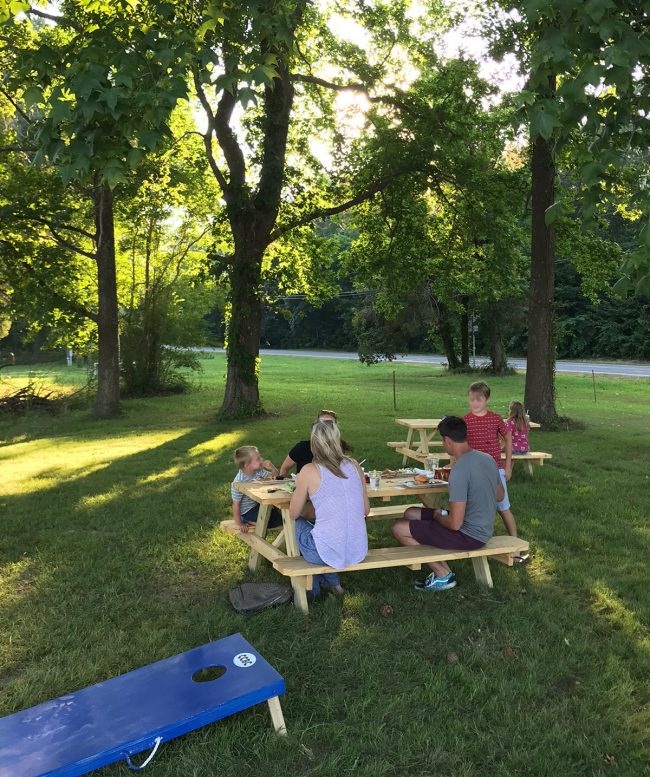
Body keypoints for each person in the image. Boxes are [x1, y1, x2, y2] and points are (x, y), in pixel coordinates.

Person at [391, 416, 503, 592]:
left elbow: (454, 524)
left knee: (398, 528)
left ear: (447, 440)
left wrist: (437, 515)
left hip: (469, 535)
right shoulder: (487, 459)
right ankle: (435, 556)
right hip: (483, 528)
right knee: (411, 513)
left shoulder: (459, 471)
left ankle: (443, 574)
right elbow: (500, 495)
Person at [289, 420, 369, 598]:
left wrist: (302, 503)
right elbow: (365, 510)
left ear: (313, 444)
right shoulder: (355, 465)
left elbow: (293, 513)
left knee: (297, 524)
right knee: (323, 530)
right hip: (356, 548)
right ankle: (333, 583)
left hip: (324, 552)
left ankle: (312, 589)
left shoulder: (309, 470)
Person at [463, 380, 519, 541]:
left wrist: (507, 466)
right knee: (473, 507)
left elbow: (508, 437)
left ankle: (515, 544)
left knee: (503, 507)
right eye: (472, 399)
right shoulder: (465, 420)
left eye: (478, 399)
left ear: (486, 399)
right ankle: (471, 538)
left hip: (495, 470)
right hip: (473, 472)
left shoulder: (495, 419)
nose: (475, 403)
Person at [279, 409, 351, 477]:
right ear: (315, 427)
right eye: (322, 424)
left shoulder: (338, 448)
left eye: (330, 424)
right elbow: (284, 468)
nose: (325, 427)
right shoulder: (302, 448)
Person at [230, 446, 282, 533]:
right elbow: (236, 505)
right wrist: (240, 524)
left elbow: (276, 478)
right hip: (247, 511)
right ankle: (246, 520)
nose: (261, 459)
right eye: (258, 459)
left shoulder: (258, 471)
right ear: (247, 465)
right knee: (273, 521)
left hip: (257, 504)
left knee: (280, 518)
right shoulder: (238, 482)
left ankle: (256, 520)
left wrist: (272, 468)